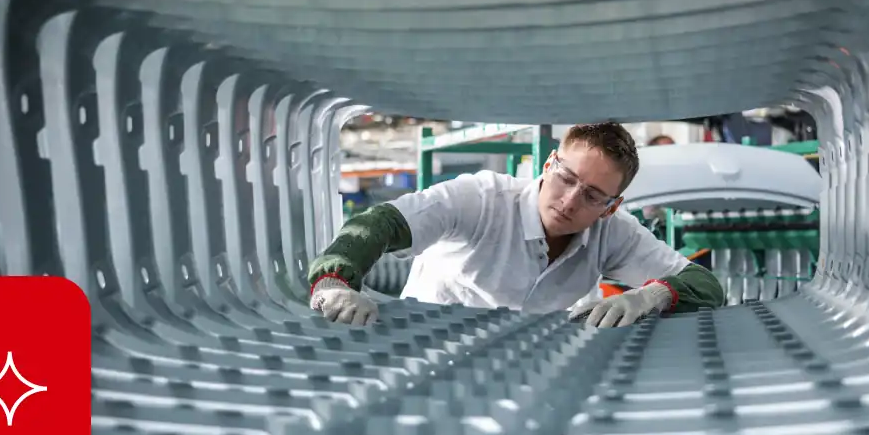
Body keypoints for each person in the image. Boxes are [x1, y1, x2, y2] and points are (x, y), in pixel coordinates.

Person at [306, 121, 725, 328]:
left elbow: (705, 286)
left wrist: (650, 296)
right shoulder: (481, 199)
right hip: (426, 350)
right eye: (566, 179)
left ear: (611, 207)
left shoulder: (613, 232)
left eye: (593, 196)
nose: (571, 200)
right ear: (548, 165)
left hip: (523, 368)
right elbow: (379, 224)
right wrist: (334, 283)